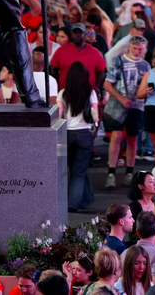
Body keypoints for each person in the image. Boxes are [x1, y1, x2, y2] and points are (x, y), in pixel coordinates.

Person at [104, 36, 150, 190]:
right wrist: (121, 98)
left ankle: (129, 172)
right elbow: (107, 84)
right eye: (135, 48)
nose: (138, 51)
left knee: (132, 139)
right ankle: (111, 172)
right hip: (118, 105)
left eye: (140, 49)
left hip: (136, 106)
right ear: (129, 47)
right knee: (116, 137)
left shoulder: (146, 65)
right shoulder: (118, 61)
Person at [59, 63, 98, 212]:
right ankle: (73, 203)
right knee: (79, 171)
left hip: (67, 134)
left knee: (75, 169)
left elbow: (59, 115)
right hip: (85, 134)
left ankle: (85, 198)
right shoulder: (90, 93)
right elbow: (96, 114)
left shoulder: (63, 93)